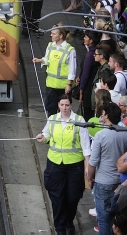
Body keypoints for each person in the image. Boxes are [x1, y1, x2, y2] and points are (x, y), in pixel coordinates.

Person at [36, 95, 90, 235]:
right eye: (62, 105)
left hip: (74, 166)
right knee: (57, 198)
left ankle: (68, 221)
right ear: (58, 105)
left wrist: (87, 166)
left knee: (73, 197)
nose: (64, 108)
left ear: (71, 105)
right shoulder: (52, 119)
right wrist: (42, 138)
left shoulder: (79, 121)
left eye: (67, 105)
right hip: (55, 164)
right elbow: (46, 134)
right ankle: (60, 227)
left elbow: (86, 146)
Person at [87, 102, 127, 235]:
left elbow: (93, 162)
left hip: (103, 183)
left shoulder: (101, 135)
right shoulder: (125, 134)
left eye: (103, 114)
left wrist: (90, 178)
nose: (102, 117)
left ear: (107, 116)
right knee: (117, 220)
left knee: (104, 220)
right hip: (120, 184)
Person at [33, 24, 77, 114]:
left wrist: (69, 84)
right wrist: (40, 60)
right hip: (51, 85)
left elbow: (72, 68)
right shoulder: (50, 46)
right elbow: (47, 59)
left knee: (64, 110)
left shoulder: (70, 50)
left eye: (53, 33)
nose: (51, 35)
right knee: (51, 109)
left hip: (63, 87)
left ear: (60, 36)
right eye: (51, 33)